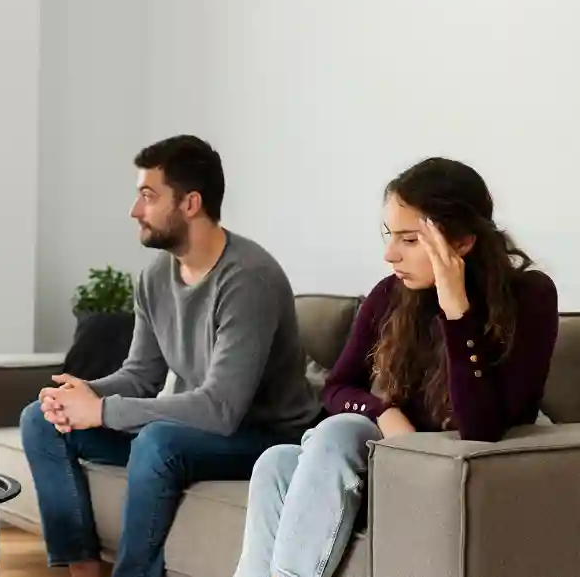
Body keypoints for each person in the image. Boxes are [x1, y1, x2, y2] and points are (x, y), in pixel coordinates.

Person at [233, 157, 559, 577]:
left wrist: (456, 311)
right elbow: (336, 388)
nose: (390, 255)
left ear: (460, 242)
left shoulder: (529, 296)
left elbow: (481, 429)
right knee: (275, 462)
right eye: (391, 236)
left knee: (339, 431)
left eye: (409, 240)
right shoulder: (390, 295)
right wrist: (384, 413)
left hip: (454, 469)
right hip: (393, 459)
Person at [20, 135, 322, 577]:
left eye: (148, 195)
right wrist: (86, 394)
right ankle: (83, 568)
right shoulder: (155, 277)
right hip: (204, 428)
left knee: (158, 441)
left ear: (190, 203)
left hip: (266, 435)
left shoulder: (249, 279)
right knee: (39, 419)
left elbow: (221, 409)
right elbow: (141, 375)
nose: (134, 210)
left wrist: (102, 410)